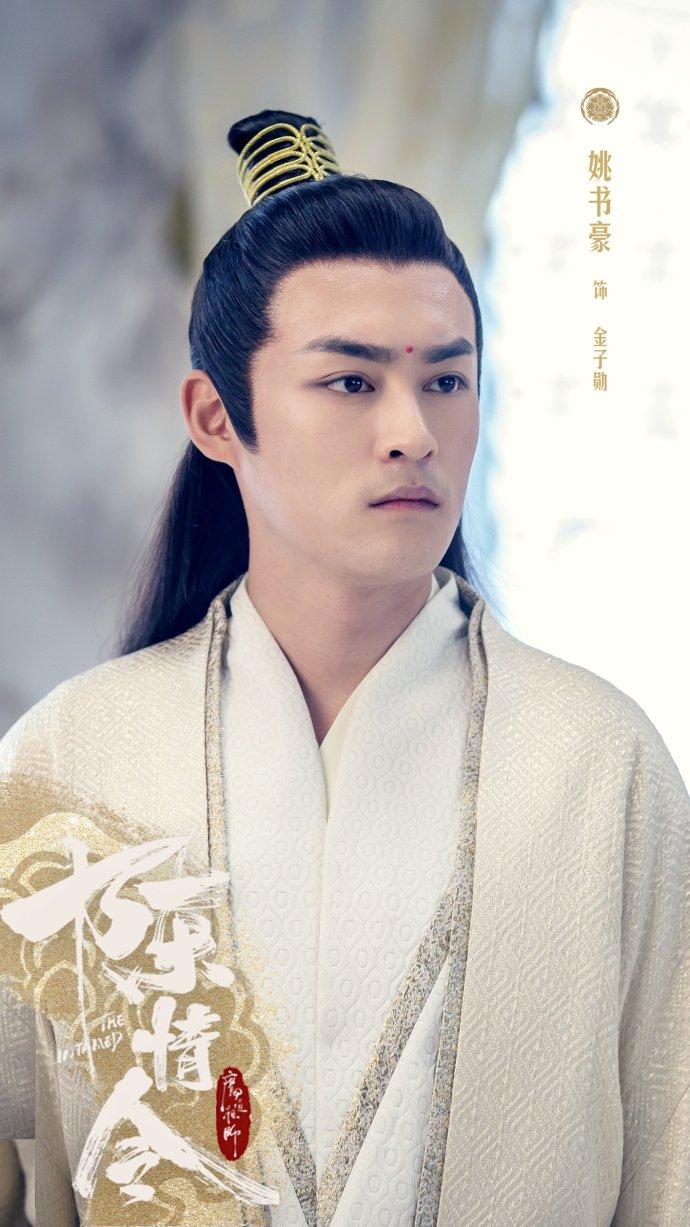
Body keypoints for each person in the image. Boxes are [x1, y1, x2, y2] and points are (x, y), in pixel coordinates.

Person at [0, 108, 687, 1227]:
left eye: (447, 382)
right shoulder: (71, 762)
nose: (413, 432)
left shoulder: (600, 766)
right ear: (215, 416)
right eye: (352, 383)